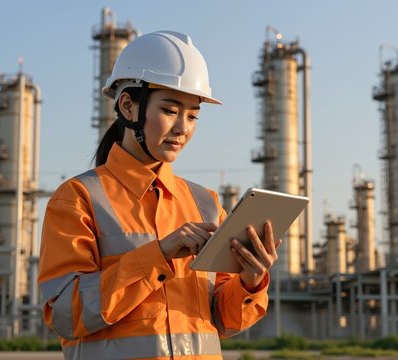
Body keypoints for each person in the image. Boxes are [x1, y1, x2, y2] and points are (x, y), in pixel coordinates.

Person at [38, 30, 279, 360]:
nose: (183, 128)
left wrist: (251, 282)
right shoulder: (78, 198)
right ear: (128, 106)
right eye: (170, 110)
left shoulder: (206, 204)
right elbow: (64, 313)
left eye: (193, 115)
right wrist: (159, 256)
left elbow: (224, 320)